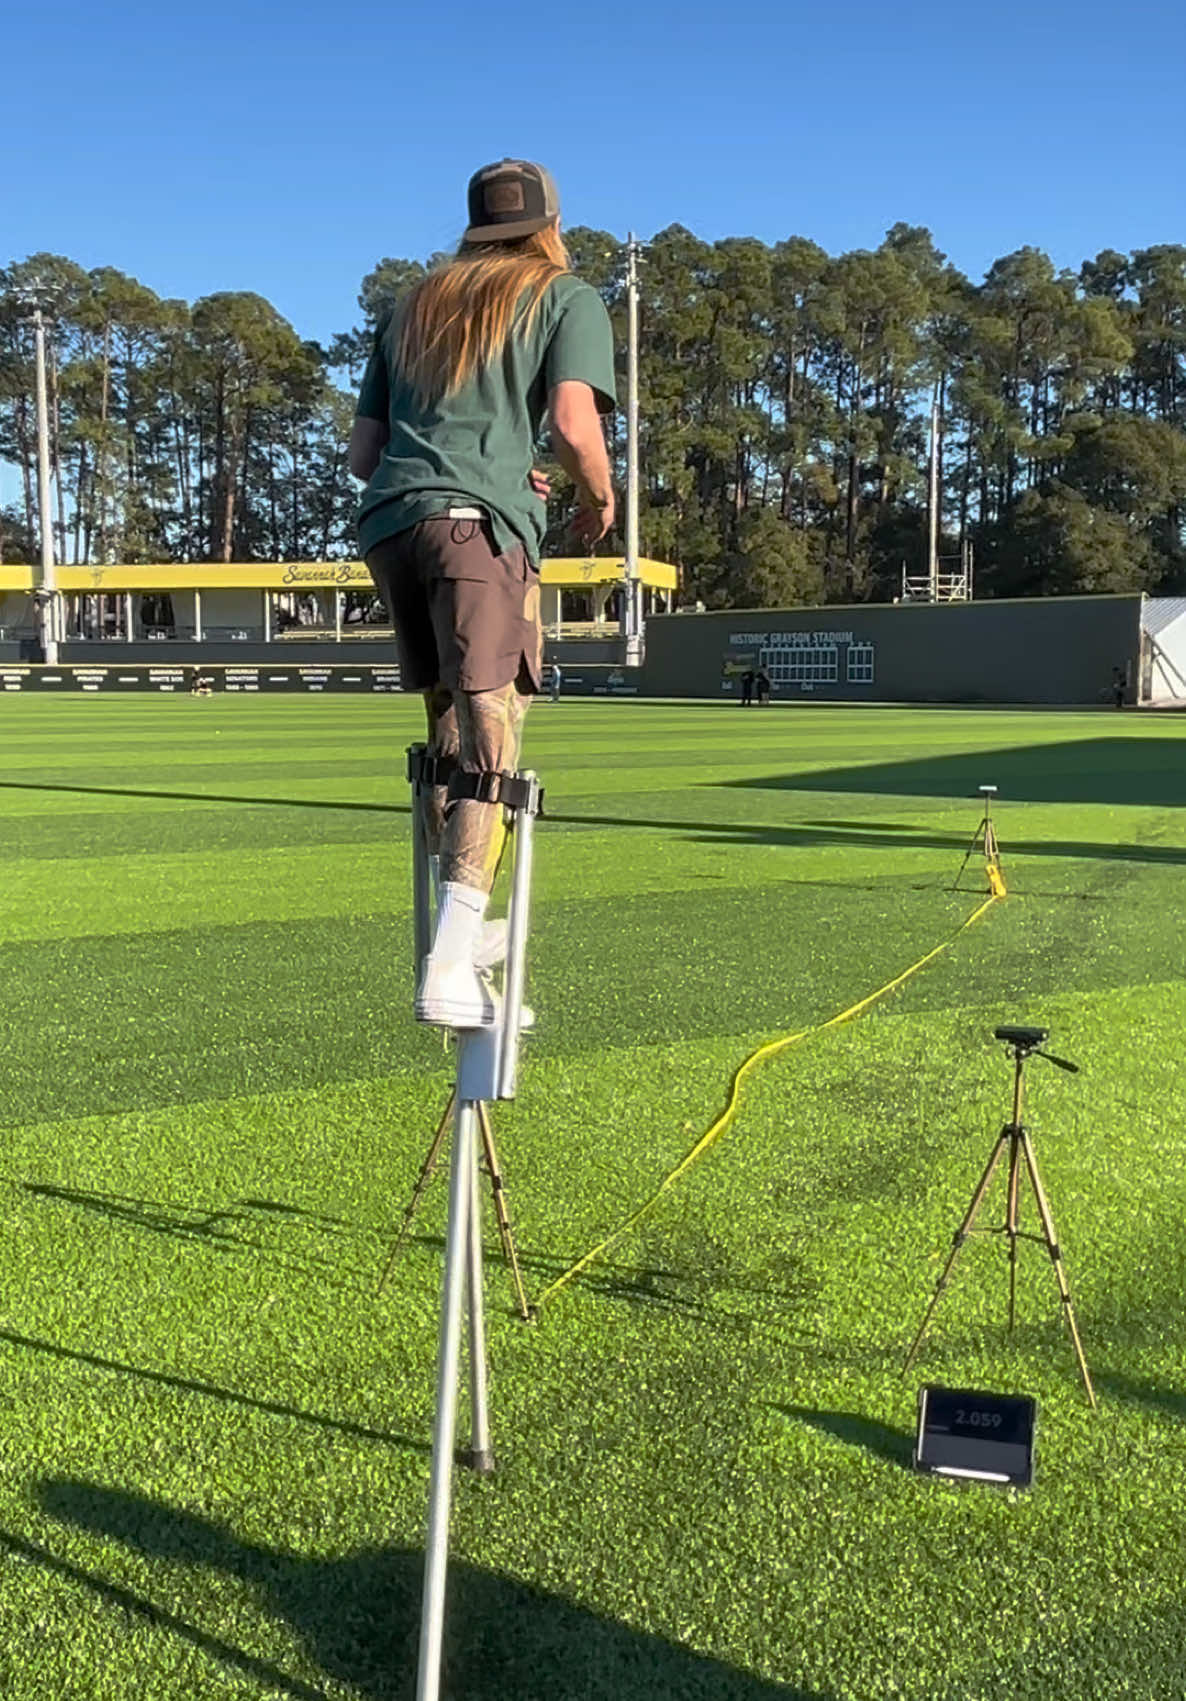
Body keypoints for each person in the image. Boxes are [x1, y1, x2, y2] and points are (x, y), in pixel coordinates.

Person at [350, 159, 616, 1029]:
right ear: (549, 225)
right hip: (475, 533)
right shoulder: (562, 296)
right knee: (492, 737)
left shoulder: (412, 303)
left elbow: (365, 453)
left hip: (393, 524)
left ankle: (454, 933)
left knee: (445, 732)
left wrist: (510, 470)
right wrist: (599, 498)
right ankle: (450, 963)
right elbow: (577, 426)